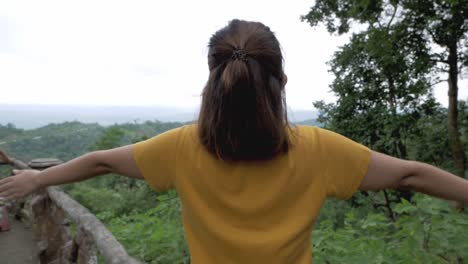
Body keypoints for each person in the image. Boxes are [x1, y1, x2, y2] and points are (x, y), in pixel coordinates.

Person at [0, 19, 467, 264]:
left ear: (214, 79)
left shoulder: (180, 148)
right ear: (281, 80)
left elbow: (100, 162)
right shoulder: (321, 150)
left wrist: (36, 180)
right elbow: (409, 172)